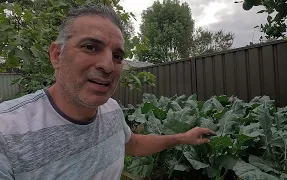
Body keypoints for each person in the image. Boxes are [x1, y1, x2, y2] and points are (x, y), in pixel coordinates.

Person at [0, 4, 215, 180]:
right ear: (57, 55)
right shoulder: (7, 132)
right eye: (90, 47)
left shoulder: (111, 109)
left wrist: (182, 138)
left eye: (117, 56)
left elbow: (134, 144)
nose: (108, 65)